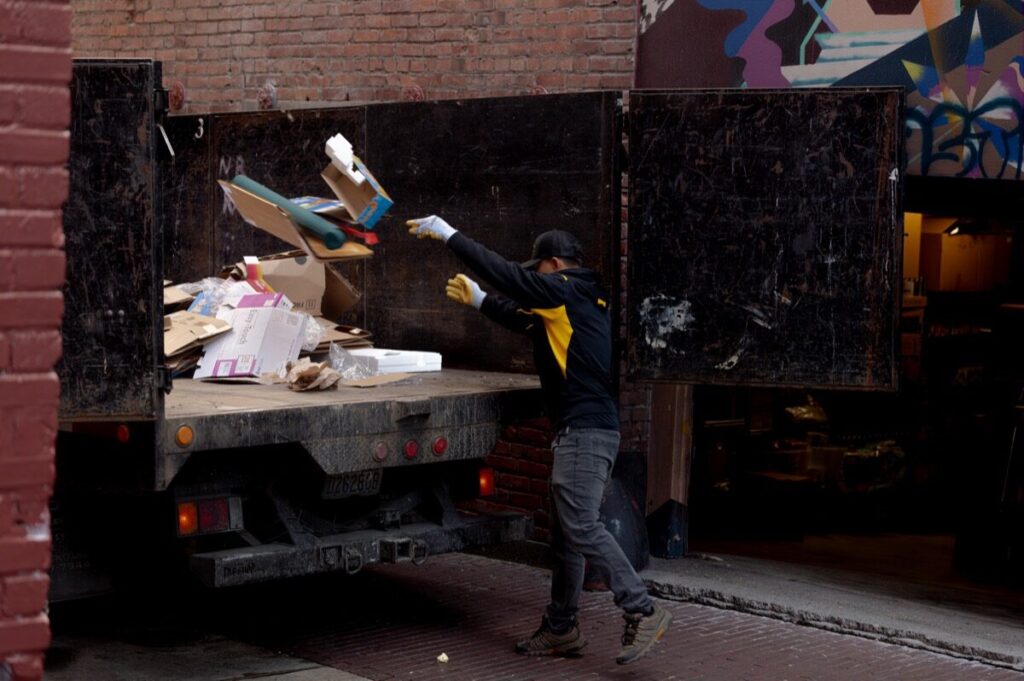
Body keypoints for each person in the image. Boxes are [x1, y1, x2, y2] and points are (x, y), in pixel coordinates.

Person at [406, 215, 672, 666]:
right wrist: (483, 301)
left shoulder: (568, 289)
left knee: (582, 526)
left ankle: (641, 608)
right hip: (584, 430)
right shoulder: (574, 300)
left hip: (585, 432)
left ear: (553, 264)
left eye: (538, 271)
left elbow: (512, 279)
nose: (534, 280)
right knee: (568, 536)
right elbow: (524, 316)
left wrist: (451, 235)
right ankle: (562, 628)